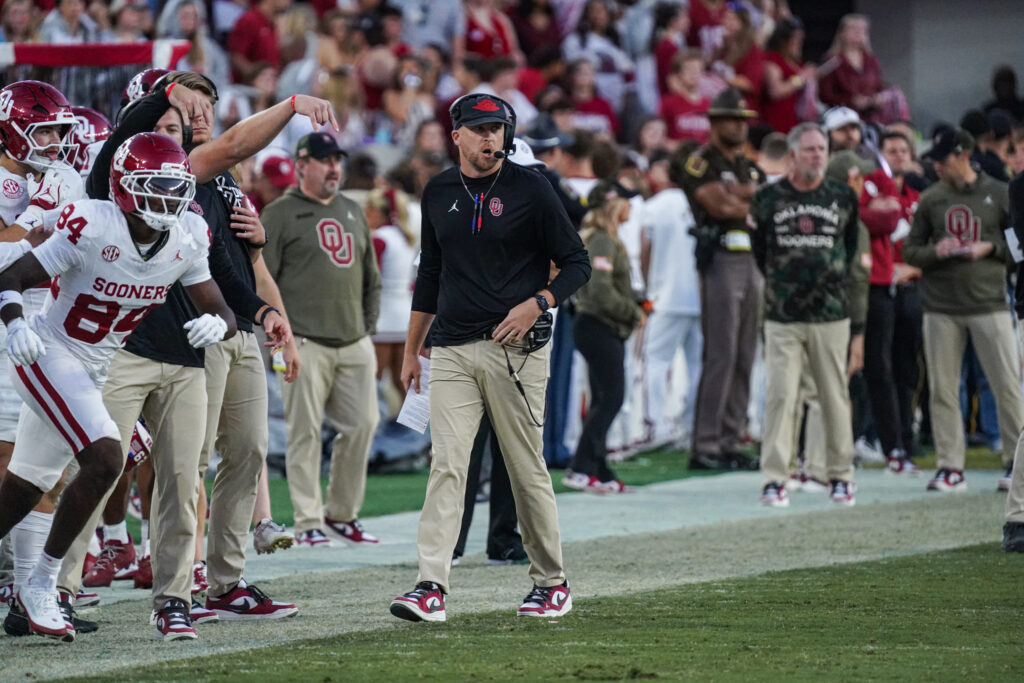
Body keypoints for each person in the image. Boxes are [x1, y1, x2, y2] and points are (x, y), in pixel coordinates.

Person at [59, 71, 326, 638]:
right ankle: (54, 587)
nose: (178, 133)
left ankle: (192, 591)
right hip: (125, 345)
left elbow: (223, 268)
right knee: (103, 469)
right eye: (168, 120)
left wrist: (259, 313)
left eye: (189, 117)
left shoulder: (196, 202)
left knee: (203, 470)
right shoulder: (109, 193)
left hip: (199, 342)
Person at [0, 131, 236, 642]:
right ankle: (42, 585)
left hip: (94, 367)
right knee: (107, 458)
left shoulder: (188, 235)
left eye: (177, 187)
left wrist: (219, 324)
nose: (170, 199)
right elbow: (12, 275)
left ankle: (25, 603)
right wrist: (16, 323)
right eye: (156, 185)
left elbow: (219, 306)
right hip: (49, 351)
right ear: (127, 187)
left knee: (25, 486)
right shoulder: (92, 224)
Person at [389, 93, 590, 622]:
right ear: (455, 135)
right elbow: (429, 274)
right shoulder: (438, 192)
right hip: (452, 348)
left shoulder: (532, 188)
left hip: (516, 352)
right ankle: (430, 583)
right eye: (478, 129)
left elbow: (576, 262)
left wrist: (538, 302)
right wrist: (414, 348)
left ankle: (551, 581)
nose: (489, 138)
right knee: (447, 467)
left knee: (525, 469)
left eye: (497, 129)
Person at [261, 132, 383, 549]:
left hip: (353, 340)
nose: (334, 167)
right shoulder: (278, 214)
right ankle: (308, 519)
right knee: (303, 432)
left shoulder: (353, 208)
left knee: (364, 424)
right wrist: (279, 337)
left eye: (337, 159)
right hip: (303, 342)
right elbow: (264, 281)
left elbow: (371, 276)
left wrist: (367, 327)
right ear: (301, 165)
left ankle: (341, 513)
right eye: (325, 159)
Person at [903, 128, 1023, 493]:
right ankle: (950, 466)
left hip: (989, 301)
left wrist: (988, 247)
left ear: (964, 155)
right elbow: (910, 251)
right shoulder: (931, 198)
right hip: (941, 305)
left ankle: (1015, 462)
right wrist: (935, 252)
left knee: (1006, 386)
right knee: (942, 388)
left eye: (944, 158)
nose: (937, 165)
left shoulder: (999, 192)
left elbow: (1018, 247)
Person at [751, 122, 860, 508]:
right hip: (783, 314)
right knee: (781, 395)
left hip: (831, 313)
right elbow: (760, 251)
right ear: (793, 155)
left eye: (822, 149)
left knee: (834, 395)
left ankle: (841, 475)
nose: (817, 155)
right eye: (810, 149)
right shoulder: (766, 198)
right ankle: (776, 478)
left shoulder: (844, 196)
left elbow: (850, 254)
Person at [680, 88, 763, 472]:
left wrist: (740, 194)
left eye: (743, 119)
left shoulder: (749, 165)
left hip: (752, 258)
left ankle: (731, 438)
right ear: (714, 122)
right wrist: (747, 198)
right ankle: (706, 443)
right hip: (721, 257)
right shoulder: (700, 161)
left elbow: (764, 205)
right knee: (722, 352)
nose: (740, 125)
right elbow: (718, 205)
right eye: (732, 118)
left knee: (746, 354)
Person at [564, 181, 645, 493]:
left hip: (596, 325)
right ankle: (580, 467)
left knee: (602, 398)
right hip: (598, 324)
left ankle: (599, 469)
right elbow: (598, 290)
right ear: (614, 205)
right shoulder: (601, 241)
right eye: (626, 201)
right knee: (612, 397)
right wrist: (632, 312)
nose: (631, 207)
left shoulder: (604, 239)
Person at [641, 146, 701, 448]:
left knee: (655, 359)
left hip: (664, 295)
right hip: (699, 296)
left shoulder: (653, 207)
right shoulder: (701, 202)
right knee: (697, 364)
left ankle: (658, 426)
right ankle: (690, 427)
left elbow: (645, 253)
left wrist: (645, 291)